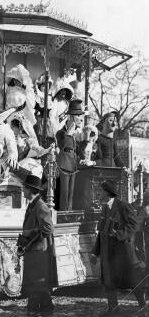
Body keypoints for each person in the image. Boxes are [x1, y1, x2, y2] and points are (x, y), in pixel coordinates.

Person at [91, 180, 147, 316]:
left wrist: (119, 234)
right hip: (107, 252)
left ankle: (143, 305)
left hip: (122, 252)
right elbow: (102, 232)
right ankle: (113, 310)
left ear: (107, 193)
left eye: (101, 191)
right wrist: (95, 253)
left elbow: (133, 225)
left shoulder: (123, 206)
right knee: (108, 281)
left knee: (132, 279)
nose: (99, 193)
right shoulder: (105, 208)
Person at [21, 174, 55, 314]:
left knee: (38, 286)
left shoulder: (40, 206)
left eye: (24, 188)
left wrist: (30, 235)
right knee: (37, 288)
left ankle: (36, 311)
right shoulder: (32, 205)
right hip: (33, 253)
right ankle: (41, 311)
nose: (23, 190)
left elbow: (48, 228)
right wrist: (22, 245)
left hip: (39, 255)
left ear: (29, 190)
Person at [56, 99, 84, 211]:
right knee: (64, 194)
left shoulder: (73, 135)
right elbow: (64, 147)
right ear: (71, 117)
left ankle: (68, 215)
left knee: (70, 196)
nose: (81, 118)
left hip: (72, 166)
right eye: (78, 115)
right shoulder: (61, 133)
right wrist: (70, 132)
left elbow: (75, 151)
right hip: (63, 167)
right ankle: (63, 216)